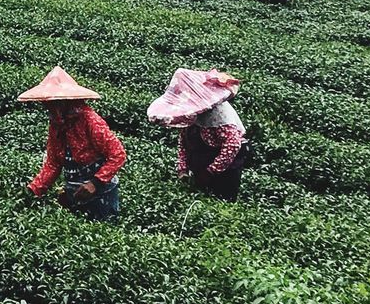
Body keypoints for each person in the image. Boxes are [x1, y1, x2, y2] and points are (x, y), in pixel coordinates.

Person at [21, 66, 126, 221]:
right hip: (75, 193)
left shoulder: (90, 121)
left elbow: (117, 154)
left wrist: (94, 183)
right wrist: (34, 189)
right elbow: (54, 163)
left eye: (53, 103)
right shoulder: (56, 125)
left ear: (66, 102)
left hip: (102, 193)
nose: (48, 107)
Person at [148, 68, 250, 201]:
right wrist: (182, 169)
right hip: (202, 157)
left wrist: (211, 171)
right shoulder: (191, 112)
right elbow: (183, 142)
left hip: (226, 165)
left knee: (222, 198)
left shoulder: (220, 117)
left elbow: (232, 145)